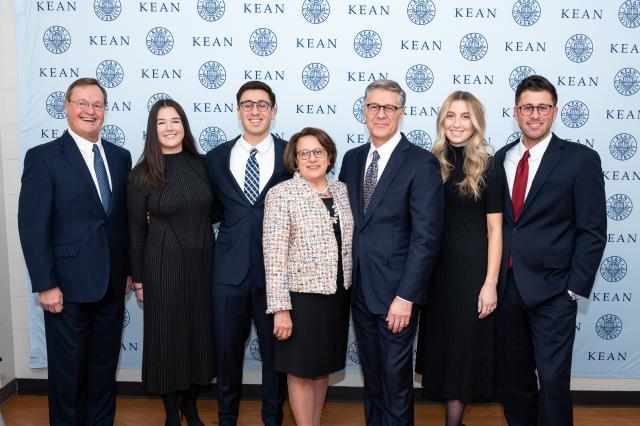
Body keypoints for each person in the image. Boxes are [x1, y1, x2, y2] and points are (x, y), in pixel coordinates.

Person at [18, 77, 132, 425]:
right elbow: (32, 227)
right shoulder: (43, 158)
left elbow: (121, 221)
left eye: (97, 104)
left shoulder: (120, 157)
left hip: (111, 286)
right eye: (82, 102)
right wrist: (45, 284)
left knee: (102, 371)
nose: (90, 110)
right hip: (65, 289)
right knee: (68, 376)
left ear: (105, 111)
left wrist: (127, 271)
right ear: (66, 107)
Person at [494, 75, 606, 426]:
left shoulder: (580, 159)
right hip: (507, 288)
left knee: (554, 382)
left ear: (554, 112)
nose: (535, 115)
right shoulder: (501, 159)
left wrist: (574, 288)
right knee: (514, 381)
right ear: (516, 113)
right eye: (528, 107)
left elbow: (592, 230)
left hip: (555, 290)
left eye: (543, 107)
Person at [338, 79, 444, 425]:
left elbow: (426, 237)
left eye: (389, 108)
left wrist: (406, 296)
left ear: (401, 113)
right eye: (373, 106)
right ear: (364, 110)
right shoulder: (352, 160)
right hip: (360, 290)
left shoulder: (420, 163)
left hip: (397, 295)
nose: (380, 114)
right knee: (373, 380)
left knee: (396, 382)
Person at [415, 91, 503, 425]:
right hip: (434, 273)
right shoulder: (429, 163)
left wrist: (490, 283)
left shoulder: (488, 166)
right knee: (443, 350)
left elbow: (496, 231)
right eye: (450, 115)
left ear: (476, 122)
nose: (456, 123)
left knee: (463, 351)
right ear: (441, 120)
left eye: (465, 116)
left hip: (470, 273)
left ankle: (453, 423)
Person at [205, 81, 290, 426]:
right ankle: (226, 418)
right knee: (226, 354)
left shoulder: (291, 154)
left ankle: (273, 418)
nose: (255, 111)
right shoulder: (215, 158)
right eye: (247, 104)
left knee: (276, 356)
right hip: (227, 273)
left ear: (273, 110)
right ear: (238, 110)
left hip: (277, 275)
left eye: (262, 104)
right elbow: (206, 209)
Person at [127, 99, 215, 426]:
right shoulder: (141, 175)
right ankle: (170, 414)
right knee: (167, 340)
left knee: (199, 338)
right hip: (161, 268)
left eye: (175, 120)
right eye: (161, 122)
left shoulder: (203, 165)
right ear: (153, 130)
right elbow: (135, 232)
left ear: (184, 125)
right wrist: (139, 281)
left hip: (203, 267)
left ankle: (190, 406)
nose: (169, 127)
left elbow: (215, 209)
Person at [263, 127, 354, 426]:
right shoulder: (281, 194)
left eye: (318, 152)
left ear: (329, 156)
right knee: (300, 370)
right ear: (294, 159)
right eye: (304, 153)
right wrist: (281, 309)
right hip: (300, 299)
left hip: (337, 296)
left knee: (321, 367)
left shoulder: (342, 190)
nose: (312, 158)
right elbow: (273, 256)